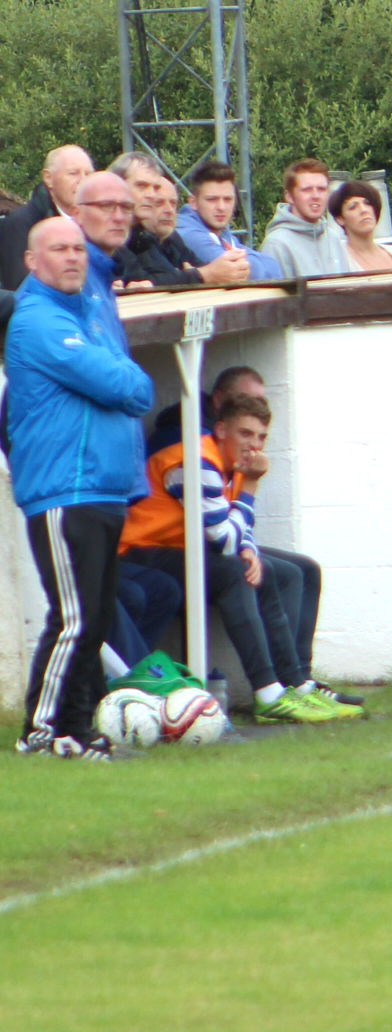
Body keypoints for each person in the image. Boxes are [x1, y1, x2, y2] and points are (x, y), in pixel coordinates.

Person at [4, 218, 154, 758]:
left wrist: (126, 382)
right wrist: (125, 382)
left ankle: (74, 729)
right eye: (58, 250)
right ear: (31, 261)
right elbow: (124, 384)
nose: (72, 257)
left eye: (76, 249)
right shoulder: (38, 319)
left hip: (102, 489)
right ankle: (39, 731)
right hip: (66, 490)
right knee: (74, 619)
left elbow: (132, 383)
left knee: (91, 619)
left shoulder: (89, 312)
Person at [122, 393, 363, 723]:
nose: (254, 445)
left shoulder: (230, 461)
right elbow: (223, 539)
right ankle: (268, 693)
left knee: (298, 569)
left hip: (184, 548)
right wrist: (250, 487)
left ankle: (297, 683)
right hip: (141, 553)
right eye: (245, 434)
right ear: (221, 430)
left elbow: (234, 525)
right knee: (237, 571)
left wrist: (248, 547)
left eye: (261, 437)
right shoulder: (194, 462)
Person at [116, 154, 243, 285]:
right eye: (141, 186)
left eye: (154, 188)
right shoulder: (110, 234)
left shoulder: (151, 237)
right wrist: (200, 275)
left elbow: (156, 280)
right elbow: (146, 282)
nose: (151, 195)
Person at [1, 145, 93, 290]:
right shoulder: (21, 223)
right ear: (48, 178)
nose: (83, 181)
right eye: (73, 173)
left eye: (88, 174)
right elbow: (20, 287)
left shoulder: (97, 220)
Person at [177, 161, 286, 281]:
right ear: (193, 202)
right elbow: (234, 269)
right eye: (212, 199)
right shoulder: (187, 233)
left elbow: (273, 266)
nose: (221, 207)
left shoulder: (223, 235)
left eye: (228, 199)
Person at [260, 158, 349, 278]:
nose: (316, 196)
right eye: (307, 190)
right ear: (289, 197)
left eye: (322, 189)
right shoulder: (276, 244)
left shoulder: (332, 238)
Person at [331, 181, 392, 271]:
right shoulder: (338, 260)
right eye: (353, 207)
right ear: (340, 219)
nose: (363, 210)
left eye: (367, 203)